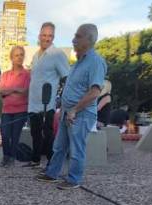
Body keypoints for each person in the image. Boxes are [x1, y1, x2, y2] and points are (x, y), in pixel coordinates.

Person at [36, 24, 107, 189]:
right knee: (59, 146)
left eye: (78, 36)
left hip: (80, 114)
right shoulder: (77, 63)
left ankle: (73, 179)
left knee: (76, 149)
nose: (73, 40)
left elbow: (95, 92)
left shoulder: (95, 62)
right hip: (67, 113)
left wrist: (75, 109)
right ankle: (52, 173)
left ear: (89, 40)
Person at [25, 22, 70, 168]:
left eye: (50, 36)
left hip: (47, 103)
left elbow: (67, 78)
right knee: (35, 134)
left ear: (54, 37)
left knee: (48, 135)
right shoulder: (36, 56)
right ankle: (36, 160)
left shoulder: (57, 54)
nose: (47, 38)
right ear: (39, 36)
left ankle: (52, 165)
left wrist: (62, 100)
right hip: (33, 103)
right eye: (44, 35)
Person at [0, 46, 30, 167]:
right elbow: (0, 91)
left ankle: (11, 158)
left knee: (15, 135)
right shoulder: (5, 75)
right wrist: (16, 90)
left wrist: (10, 90)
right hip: (7, 110)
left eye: (21, 55)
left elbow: (26, 91)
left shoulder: (27, 74)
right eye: (16, 55)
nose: (19, 57)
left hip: (21, 109)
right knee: (5, 135)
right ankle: (6, 156)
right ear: (11, 58)